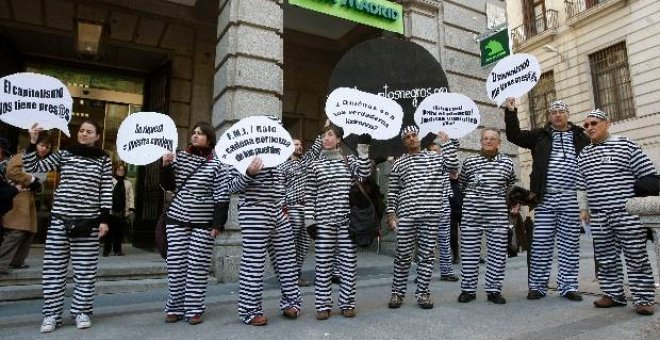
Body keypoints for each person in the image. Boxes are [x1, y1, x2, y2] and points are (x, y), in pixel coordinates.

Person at [23, 121, 112, 333]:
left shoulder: (104, 159)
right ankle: (51, 315)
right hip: (60, 220)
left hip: (88, 223)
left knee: (85, 271)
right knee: (53, 270)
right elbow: (34, 168)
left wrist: (104, 219)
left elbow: (106, 189)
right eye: (81, 130)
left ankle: (81, 311)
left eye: (89, 131)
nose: (84, 134)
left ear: (97, 136)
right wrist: (33, 142)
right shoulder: (65, 153)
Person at [504, 97, 590, 302]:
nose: (558, 115)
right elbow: (514, 135)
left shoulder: (581, 136)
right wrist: (510, 112)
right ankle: (537, 286)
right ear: (549, 116)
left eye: (561, 111)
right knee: (541, 244)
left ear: (567, 114)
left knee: (570, 244)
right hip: (546, 199)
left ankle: (568, 286)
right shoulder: (540, 135)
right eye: (553, 112)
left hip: (571, 198)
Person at [577, 109, 657, 316]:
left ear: (607, 123)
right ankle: (613, 294)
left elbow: (648, 175)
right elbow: (582, 186)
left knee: (636, 256)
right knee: (605, 258)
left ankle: (643, 299)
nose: (589, 128)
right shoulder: (584, 154)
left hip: (627, 213)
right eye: (586, 125)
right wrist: (584, 209)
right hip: (600, 216)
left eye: (594, 123)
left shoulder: (626, 144)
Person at [228, 118, 302, 326]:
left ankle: (291, 303)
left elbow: (287, 183)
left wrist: (284, 205)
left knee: (287, 259)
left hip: (278, 211)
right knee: (254, 262)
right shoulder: (242, 154)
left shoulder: (280, 155)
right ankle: (250, 311)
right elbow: (230, 186)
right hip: (254, 210)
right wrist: (249, 173)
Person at [160, 122, 229, 325]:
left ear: (209, 138)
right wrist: (165, 166)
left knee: (197, 266)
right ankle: (174, 307)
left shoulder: (217, 164)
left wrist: (218, 224)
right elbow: (168, 185)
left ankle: (193, 309)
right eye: (194, 133)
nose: (196, 136)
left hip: (203, 223)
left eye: (201, 133)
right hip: (177, 220)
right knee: (176, 265)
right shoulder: (179, 157)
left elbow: (222, 195)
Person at [386, 126, 458, 310]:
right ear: (404, 142)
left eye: (414, 135)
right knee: (402, 255)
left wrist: (447, 144)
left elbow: (452, 167)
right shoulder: (399, 163)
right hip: (407, 216)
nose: (411, 138)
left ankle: (423, 293)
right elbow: (392, 192)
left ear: (419, 137)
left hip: (430, 216)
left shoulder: (434, 157)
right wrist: (391, 214)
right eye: (407, 137)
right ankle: (397, 293)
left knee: (426, 256)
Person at [304, 125, 372, 320]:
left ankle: (347, 303)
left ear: (339, 139)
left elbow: (365, 173)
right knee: (323, 264)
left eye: (330, 134)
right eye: (323, 135)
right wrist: (310, 220)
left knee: (348, 264)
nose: (326, 138)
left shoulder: (348, 161)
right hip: (324, 222)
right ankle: (323, 305)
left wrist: (364, 149)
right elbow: (310, 195)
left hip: (346, 222)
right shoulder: (314, 165)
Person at [457, 128, 516, 305]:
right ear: (480, 141)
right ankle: (468, 290)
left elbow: (511, 186)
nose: (488, 141)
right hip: (471, 215)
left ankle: (494, 290)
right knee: (469, 254)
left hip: (497, 215)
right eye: (485, 138)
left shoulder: (507, 163)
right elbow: (462, 185)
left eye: (492, 139)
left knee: (497, 254)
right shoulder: (469, 162)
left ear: (499, 142)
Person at [0, 133, 51, 274]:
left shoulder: (42, 162)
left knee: (29, 232)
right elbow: (11, 172)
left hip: (30, 198)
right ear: (35, 144)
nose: (44, 149)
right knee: (16, 230)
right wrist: (31, 179)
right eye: (41, 145)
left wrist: (38, 184)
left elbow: (38, 181)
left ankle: (17, 261)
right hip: (17, 195)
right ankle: (2, 263)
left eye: (47, 146)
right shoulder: (22, 155)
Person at [278, 136, 322, 287]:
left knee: (303, 244)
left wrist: (323, 131)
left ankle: (296, 275)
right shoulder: (283, 166)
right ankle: (287, 276)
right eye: (296, 144)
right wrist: (283, 209)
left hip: (307, 209)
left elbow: (316, 148)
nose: (299, 147)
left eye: (300, 144)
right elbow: (279, 190)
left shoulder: (306, 162)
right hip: (292, 208)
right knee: (290, 244)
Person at [426, 141, 459, 281]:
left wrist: (447, 140)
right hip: (428, 206)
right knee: (427, 243)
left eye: (438, 150)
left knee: (444, 240)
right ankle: (424, 273)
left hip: (444, 205)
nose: (436, 152)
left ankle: (446, 272)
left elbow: (455, 148)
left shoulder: (444, 163)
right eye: (433, 150)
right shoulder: (424, 166)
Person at [103, 164, 135, 257]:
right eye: (119, 170)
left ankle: (117, 250)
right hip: (111, 210)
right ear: (115, 170)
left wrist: (131, 208)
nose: (121, 171)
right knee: (109, 232)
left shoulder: (128, 183)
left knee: (119, 232)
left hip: (122, 210)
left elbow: (131, 196)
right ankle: (106, 250)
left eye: (122, 170)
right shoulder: (110, 181)